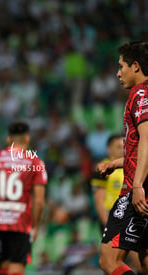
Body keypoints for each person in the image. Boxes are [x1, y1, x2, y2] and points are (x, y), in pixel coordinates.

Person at [97, 41, 148, 275]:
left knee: (109, 260)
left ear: (135, 66)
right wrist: (114, 163)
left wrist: (137, 184)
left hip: (136, 190)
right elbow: (138, 149)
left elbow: (147, 140)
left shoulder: (141, 94)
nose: (118, 74)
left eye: (121, 67)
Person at [0, 121, 47, 275]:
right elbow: (39, 201)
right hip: (20, 223)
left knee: (2, 269)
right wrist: (35, 225)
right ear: (27, 139)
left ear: (8, 139)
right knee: (17, 269)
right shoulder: (35, 162)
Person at [92, 135, 143, 274]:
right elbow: (99, 199)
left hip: (131, 214)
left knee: (136, 264)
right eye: (118, 147)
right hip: (115, 220)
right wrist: (105, 225)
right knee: (112, 263)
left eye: (124, 146)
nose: (122, 150)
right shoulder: (105, 168)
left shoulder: (132, 167)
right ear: (109, 149)